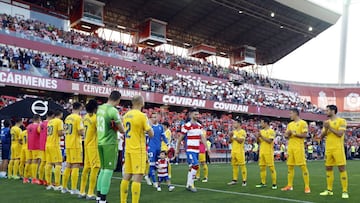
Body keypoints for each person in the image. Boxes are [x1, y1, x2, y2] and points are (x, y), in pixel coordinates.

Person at [120, 95, 154, 203]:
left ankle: (123, 201)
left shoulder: (126, 115)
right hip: (138, 149)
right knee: (138, 176)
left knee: (127, 176)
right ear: (141, 103)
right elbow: (151, 134)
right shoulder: (142, 116)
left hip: (128, 148)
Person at [97, 91, 125, 203]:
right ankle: (103, 199)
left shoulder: (100, 108)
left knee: (103, 169)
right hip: (109, 142)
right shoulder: (113, 111)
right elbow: (121, 129)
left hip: (100, 141)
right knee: (108, 170)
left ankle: (99, 197)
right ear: (118, 100)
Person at [175, 108, 210, 192]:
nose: (197, 116)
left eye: (198, 114)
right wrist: (177, 149)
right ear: (190, 115)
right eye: (195, 114)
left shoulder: (199, 126)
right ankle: (191, 185)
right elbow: (180, 139)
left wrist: (207, 148)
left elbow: (202, 138)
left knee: (192, 167)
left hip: (197, 150)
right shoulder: (186, 126)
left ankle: (188, 185)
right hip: (190, 149)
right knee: (195, 165)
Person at [319, 105, 349, 199]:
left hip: (338, 148)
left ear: (333, 111)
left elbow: (340, 134)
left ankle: (344, 191)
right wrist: (326, 128)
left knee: (341, 168)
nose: (326, 112)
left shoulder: (341, 121)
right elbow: (322, 136)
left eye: (327, 110)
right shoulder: (326, 122)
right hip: (328, 148)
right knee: (328, 168)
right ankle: (329, 190)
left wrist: (330, 128)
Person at [281, 108, 311, 193]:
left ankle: (307, 186)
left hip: (299, 147)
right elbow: (286, 136)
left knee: (302, 166)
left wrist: (294, 134)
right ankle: (289, 185)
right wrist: (287, 134)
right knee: (290, 166)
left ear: (295, 114)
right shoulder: (290, 124)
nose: (290, 115)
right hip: (290, 147)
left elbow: (304, 135)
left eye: (291, 113)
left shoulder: (303, 123)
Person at [61, 102, 84, 194]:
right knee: (75, 165)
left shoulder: (67, 117)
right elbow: (80, 131)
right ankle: (74, 188)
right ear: (80, 108)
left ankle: (64, 187)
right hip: (75, 144)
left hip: (68, 143)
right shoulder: (78, 118)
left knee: (68, 165)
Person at [79, 99, 99, 200]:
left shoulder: (85, 117)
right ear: (95, 108)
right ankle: (90, 192)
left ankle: (82, 191)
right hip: (93, 145)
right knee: (94, 168)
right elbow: (100, 132)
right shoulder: (96, 118)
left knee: (86, 168)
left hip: (86, 144)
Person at [45, 109, 64, 191]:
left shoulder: (50, 121)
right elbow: (60, 133)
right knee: (58, 163)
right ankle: (57, 184)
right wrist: (64, 131)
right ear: (60, 114)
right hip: (54, 144)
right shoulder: (59, 121)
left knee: (49, 163)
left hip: (48, 143)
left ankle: (48, 183)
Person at [148, 112, 169, 188]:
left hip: (158, 148)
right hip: (151, 148)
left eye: (155, 117)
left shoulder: (160, 127)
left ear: (158, 118)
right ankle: (154, 181)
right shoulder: (149, 127)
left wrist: (167, 143)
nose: (154, 118)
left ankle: (148, 175)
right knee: (152, 164)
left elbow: (163, 136)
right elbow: (146, 137)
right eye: (152, 117)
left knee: (157, 165)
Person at [255, 118, 277, 190]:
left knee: (271, 168)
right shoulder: (261, 131)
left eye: (262, 122)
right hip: (262, 151)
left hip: (269, 152)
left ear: (266, 123)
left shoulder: (271, 131)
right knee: (262, 167)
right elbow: (259, 142)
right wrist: (257, 137)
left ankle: (274, 184)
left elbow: (269, 141)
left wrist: (261, 136)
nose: (261, 124)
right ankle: (263, 183)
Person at [227, 117, 247, 186]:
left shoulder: (242, 132)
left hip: (240, 151)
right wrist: (230, 136)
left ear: (239, 124)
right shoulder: (234, 132)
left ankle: (244, 180)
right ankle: (234, 180)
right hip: (234, 151)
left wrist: (234, 136)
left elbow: (240, 141)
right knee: (234, 166)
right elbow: (229, 142)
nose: (233, 124)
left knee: (242, 165)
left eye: (235, 123)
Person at [38, 110, 54, 185]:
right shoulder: (50, 123)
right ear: (52, 116)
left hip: (41, 144)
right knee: (48, 162)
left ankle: (41, 179)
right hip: (48, 143)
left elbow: (38, 131)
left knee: (43, 162)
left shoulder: (41, 124)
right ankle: (48, 181)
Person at [27, 114, 42, 184]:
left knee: (30, 161)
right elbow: (41, 133)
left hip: (30, 146)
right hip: (36, 146)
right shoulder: (38, 126)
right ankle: (34, 178)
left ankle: (27, 176)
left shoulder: (29, 126)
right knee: (35, 161)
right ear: (39, 119)